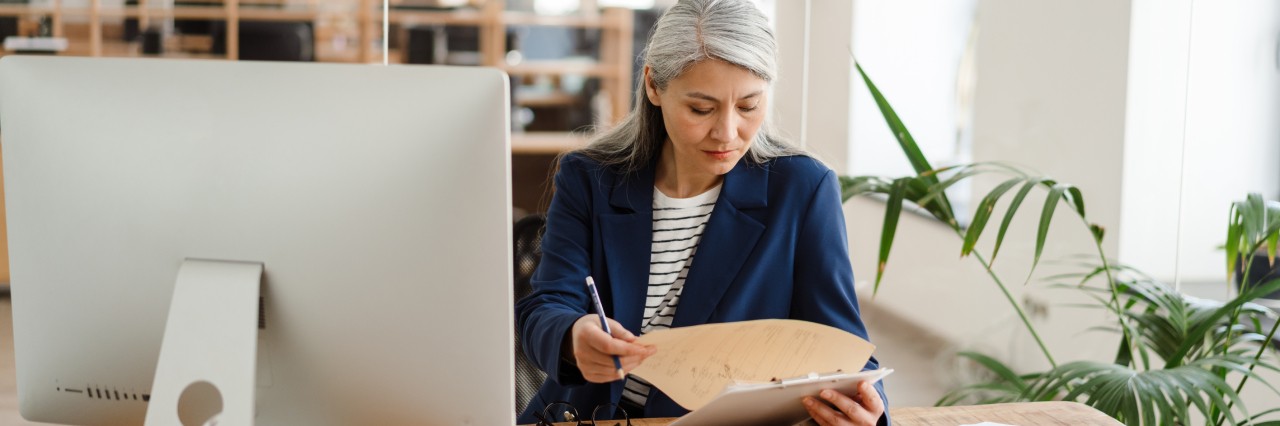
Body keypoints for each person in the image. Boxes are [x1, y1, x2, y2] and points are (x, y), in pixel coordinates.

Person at [515, 0, 888, 424]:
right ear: (654, 86)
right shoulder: (590, 179)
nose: (727, 133)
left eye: (748, 106)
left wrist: (870, 412)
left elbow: (844, 348)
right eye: (701, 109)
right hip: (583, 416)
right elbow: (544, 307)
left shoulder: (802, 189)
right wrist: (571, 337)